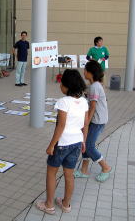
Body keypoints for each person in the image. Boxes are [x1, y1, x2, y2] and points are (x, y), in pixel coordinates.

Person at [36, 69, 89, 215]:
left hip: (62, 143)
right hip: (77, 142)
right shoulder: (84, 101)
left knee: (51, 173)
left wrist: (51, 144)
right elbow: (85, 124)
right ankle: (66, 204)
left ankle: (49, 205)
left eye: (61, 83)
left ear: (67, 86)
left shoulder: (63, 102)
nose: (60, 86)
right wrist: (83, 141)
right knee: (69, 174)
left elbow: (61, 126)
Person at [74, 60, 112, 182]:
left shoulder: (95, 86)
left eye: (85, 70)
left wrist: (86, 123)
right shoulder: (93, 86)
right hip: (96, 119)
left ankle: (106, 167)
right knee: (84, 143)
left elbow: (93, 106)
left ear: (91, 73)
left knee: (89, 146)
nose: (83, 72)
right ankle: (84, 170)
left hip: (97, 121)